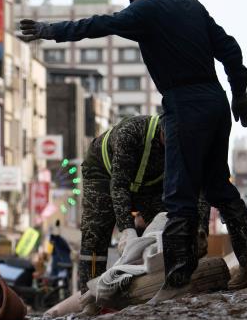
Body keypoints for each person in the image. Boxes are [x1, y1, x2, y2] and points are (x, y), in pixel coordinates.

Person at [19, 0, 247, 302]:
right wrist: (240, 95)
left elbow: (98, 24)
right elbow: (230, 49)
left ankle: (177, 283)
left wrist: (48, 30)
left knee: (179, 195)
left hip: (184, 105)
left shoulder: (147, 9)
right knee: (219, 188)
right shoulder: (191, 4)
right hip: (216, 103)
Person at [77, 114, 210, 294]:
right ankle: (89, 295)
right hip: (103, 173)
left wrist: (200, 229)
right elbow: (119, 185)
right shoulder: (130, 133)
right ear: (163, 132)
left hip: (148, 185)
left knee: (167, 227)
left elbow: (198, 188)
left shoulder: (187, 144)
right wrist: (127, 229)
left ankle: (160, 283)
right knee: (96, 232)